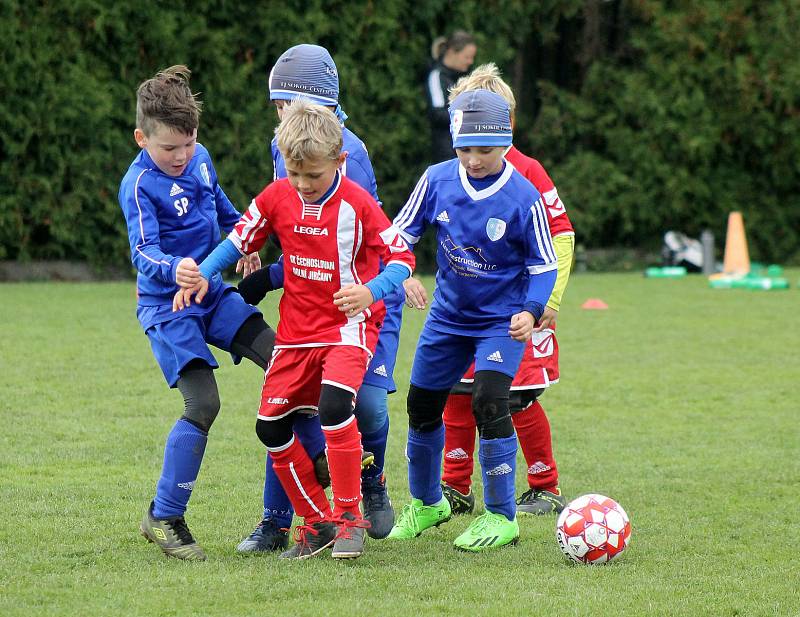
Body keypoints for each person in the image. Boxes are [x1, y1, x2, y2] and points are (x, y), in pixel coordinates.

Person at [175, 99, 415, 560]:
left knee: (333, 406)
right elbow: (237, 241)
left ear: (339, 162)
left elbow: (403, 260)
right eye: (294, 174)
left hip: (348, 327)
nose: (303, 185)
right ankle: (318, 520)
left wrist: (371, 292)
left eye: (314, 176)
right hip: (296, 333)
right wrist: (205, 273)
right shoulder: (276, 196)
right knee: (270, 428)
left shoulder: (359, 204)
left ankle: (349, 519)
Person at [234, 44, 402, 552]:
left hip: (359, 302)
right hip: (307, 307)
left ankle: (369, 482)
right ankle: (279, 522)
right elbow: (294, 228)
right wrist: (261, 266)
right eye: (277, 106)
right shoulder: (283, 144)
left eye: (286, 103)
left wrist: (379, 287)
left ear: (321, 106)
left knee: (364, 405)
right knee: (285, 410)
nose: (281, 116)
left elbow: (356, 249)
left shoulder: (351, 153)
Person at [387, 89, 557, 551]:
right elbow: (398, 234)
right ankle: (427, 503)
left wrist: (531, 310)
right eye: (465, 148)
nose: (474, 158)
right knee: (421, 407)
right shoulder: (437, 179)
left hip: (500, 321)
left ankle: (501, 517)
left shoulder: (523, 196)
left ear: (506, 143)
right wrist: (402, 273)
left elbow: (544, 265)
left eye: (485, 149)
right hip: (447, 317)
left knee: (488, 400)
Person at [118, 65, 274, 561]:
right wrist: (176, 267)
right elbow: (143, 251)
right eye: (169, 149)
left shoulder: (200, 159)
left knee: (284, 359)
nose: (181, 157)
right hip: (168, 308)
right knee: (203, 405)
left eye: (188, 144)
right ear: (143, 138)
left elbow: (223, 210)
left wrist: (244, 242)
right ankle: (164, 514)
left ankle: (301, 505)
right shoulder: (139, 184)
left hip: (211, 294)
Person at [439, 63, 575, 516]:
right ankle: (454, 487)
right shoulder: (450, 173)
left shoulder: (527, 172)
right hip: (463, 311)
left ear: (507, 123)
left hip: (515, 312)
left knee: (515, 398)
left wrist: (548, 300)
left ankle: (544, 483)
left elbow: (562, 235)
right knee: (457, 395)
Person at [425, 31, 477, 163]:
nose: (470, 61)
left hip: (468, 150)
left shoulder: (464, 76)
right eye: (467, 57)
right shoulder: (437, 76)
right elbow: (437, 114)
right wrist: (469, 116)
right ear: (452, 52)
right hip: (447, 152)